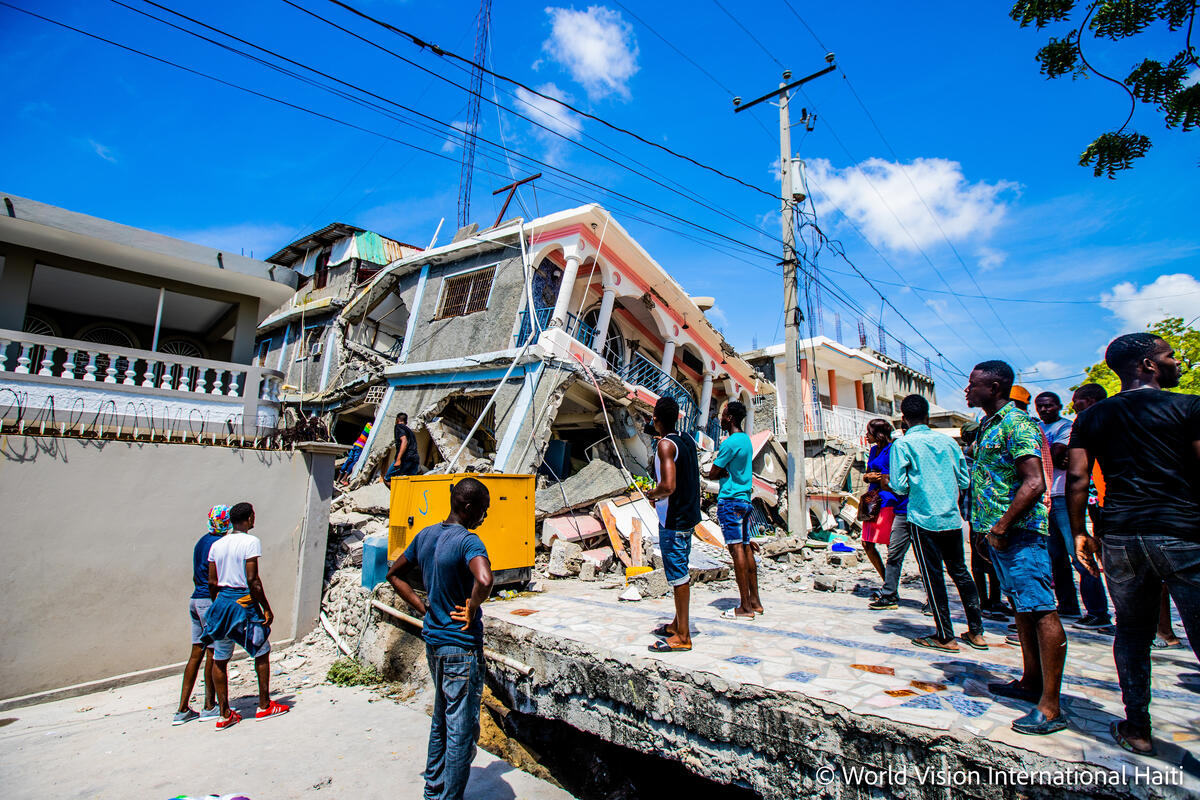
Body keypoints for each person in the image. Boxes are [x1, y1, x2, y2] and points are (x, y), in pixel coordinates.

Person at [1067, 332, 1200, 756]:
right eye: (1169, 355)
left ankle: (1138, 727)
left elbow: (1077, 479)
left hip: (1122, 535)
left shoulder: (1091, 417)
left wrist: (1080, 532)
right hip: (1182, 533)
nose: (1175, 361)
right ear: (1147, 365)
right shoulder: (1189, 406)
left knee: (1131, 633)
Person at [967, 360, 1067, 736]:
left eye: (973, 384)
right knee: (1022, 608)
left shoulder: (1016, 423)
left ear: (994, 388)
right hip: (999, 535)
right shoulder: (988, 425)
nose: (967, 390)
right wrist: (985, 532)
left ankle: (1051, 705)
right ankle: (1030, 681)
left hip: (1021, 533)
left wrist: (1002, 525)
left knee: (1041, 610)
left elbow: (1034, 482)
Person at [386, 478, 494, 800]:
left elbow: (393, 573)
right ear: (469, 507)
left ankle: (433, 792)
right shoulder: (468, 542)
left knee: (441, 722)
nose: (484, 518)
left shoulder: (426, 535)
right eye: (484, 511)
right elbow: (485, 579)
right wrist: (473, 606)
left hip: (434, 642)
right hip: (461, 648)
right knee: (461, 731)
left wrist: (424, 607)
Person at [889, 394, 987, 652]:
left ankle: (945, 636)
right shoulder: (949, 442)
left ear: (903, 418)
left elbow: (899, 486)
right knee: (961, 572)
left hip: (922, 517)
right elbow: (965, 481)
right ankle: (976, 632)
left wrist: (918, 485)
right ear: (928, 416)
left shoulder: (903, 445)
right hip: (951, 517)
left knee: (933, 577)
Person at [201, 502, 289, 729]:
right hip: (243, 603)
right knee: (261, 651)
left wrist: (218, 603)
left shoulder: (217, 546)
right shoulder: (251, 542)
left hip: (221, 602)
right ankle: (264, 705)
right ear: (250, 518)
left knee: (220, 657)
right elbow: (253, 580)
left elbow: (212, 581)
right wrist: (266, 607)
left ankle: (224, 714)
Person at [646, 396, 702, 652]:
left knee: (679, 577)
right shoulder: (687, 440)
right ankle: (676, 623)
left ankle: (683, 636)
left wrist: (653, 494)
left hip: (674, 520)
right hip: (688, 517)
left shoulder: (665, 446)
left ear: (656, 419)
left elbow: (668, 485)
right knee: (681, 571)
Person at [173, 505, 230, 725]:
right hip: (208, 601)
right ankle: (209, 706)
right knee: (213, 652)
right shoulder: (218, 544)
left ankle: (182, 709)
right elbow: (216, 577)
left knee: (196, 653)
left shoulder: (201, 541)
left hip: (195, 599)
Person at [706, 401, 762, 620]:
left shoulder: (729, 443)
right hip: (746, 500)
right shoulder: (746, 440)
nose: (720, 418)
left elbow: (713, 472)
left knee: (735, 549)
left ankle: (744, 607)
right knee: (746, 548)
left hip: (730, 501)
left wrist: (719, 472)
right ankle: (755, 601)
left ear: (729, 418)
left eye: (722, 414)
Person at [1066, 384, 1114, 632]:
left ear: (1091, 400)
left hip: (1107, 504)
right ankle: (1099, 612)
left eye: (1077, 400)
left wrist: (1078, 530)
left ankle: (1101, 612)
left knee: (1094, 560)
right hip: (1096, 504)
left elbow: (1077, 475)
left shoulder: (1097, 422)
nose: (1073, 405)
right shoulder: (1086, 422)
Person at [860, 419, 907, 594]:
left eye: (869, 432)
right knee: (867, 543)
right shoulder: (873, 450)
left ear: (878, 433)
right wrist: (869, 478)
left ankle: (890, 587)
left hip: (888, 501)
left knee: (890, 545)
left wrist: (879, 478)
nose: (866, 435)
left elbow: (892, 476)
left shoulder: (893, 449)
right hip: (872, 500)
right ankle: (887, 582)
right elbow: (867, 474)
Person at [385, 413, 420, 484]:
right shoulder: (410, 432)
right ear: (406, 422)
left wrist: (398, 459)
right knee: (410, 483)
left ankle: (396, 495)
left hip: (405, 458)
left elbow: (404, 441)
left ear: (397, 420)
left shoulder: (398, 427)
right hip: (414, 459)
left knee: (388, 478)